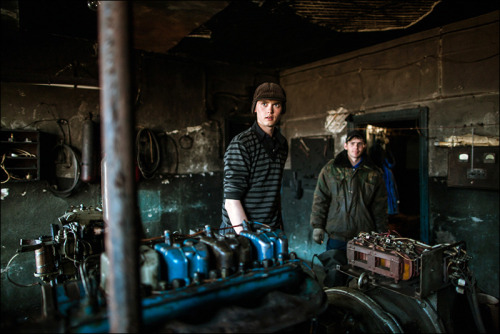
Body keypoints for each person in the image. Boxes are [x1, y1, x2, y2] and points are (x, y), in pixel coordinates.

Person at [310, 130, 388, 287]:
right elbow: (321, 199)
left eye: (359, 144)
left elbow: (379, 207)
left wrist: (381, 234)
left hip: (363, 237)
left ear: (364, 146)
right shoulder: (330, 169)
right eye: (352, 144)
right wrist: (317, 226)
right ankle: (334, 306)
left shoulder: (373, 173)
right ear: (346, 146)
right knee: (334, 276)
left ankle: (354, 309)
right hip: (337, 235)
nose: (356, 148)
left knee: (361, 280)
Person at [220, 82, 288, 235]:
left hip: (270, 231)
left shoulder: (282, 144)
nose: (269, 110)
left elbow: (274, 193)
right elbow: (231, 202)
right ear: (255, 108)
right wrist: (248, 238)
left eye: (276, 105)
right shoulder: (241, 144)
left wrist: (279, 228)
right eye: (264, 104)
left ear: (282, 109)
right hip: (240, 234)